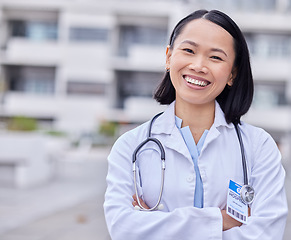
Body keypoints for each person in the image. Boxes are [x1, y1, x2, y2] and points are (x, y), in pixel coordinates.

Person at [104, 9, 288, 240]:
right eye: (189, 51)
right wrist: (220, 221)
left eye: (216, 57)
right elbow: (124, 229)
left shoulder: (258, 146)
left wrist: (154, 225)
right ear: (169, 57)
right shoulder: (130, 146)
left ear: (232, 74)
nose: (199, 65)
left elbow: (267, 233)